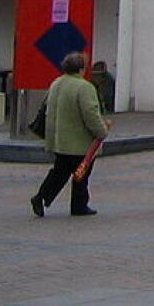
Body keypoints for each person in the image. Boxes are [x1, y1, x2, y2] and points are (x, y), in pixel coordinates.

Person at [31, 51, 110, 217]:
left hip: (60, 140)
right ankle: (79, 205)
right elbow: (91, 114)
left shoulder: (56, 83)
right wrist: (102, 132)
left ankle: (41, 196)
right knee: (81, 173)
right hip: (80, 143)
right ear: (81, 68)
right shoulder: (84, 87)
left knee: (59, 172)